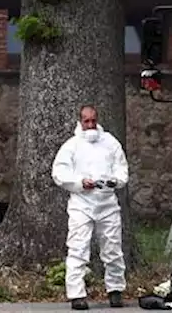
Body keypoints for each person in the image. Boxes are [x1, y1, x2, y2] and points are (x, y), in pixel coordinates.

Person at [52, 104, 129, 310]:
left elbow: (122, 169)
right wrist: (79, 182)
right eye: (86, 121)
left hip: (107, 202)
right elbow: (59, 173)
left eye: (93, 120)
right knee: (78, 248)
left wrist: (115, 181)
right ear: (80, 122)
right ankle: (76, 294)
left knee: (113, 248)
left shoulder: (110, 143)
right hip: (81, 204)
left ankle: (115, 290)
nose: (91, 125)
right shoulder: (72, 146)